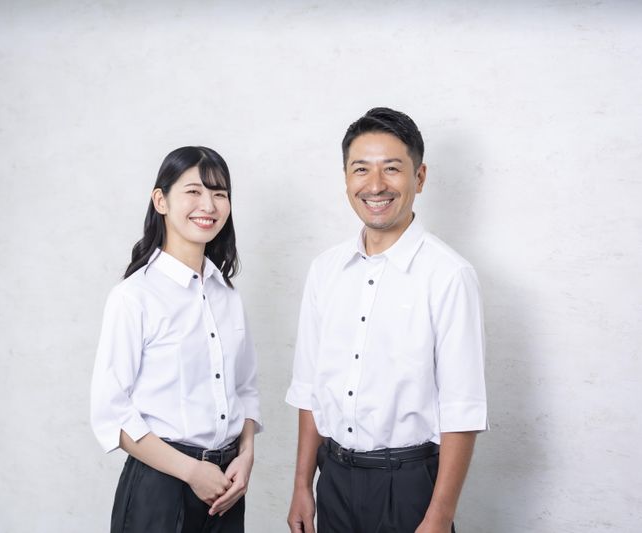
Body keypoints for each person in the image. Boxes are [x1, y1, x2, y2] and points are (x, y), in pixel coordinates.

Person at [286, 108, 488, 533]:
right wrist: (302, 485)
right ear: (346, 178)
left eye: (392, 169)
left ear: (420, 177)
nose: (375, 185)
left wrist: (439, 517)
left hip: (409, 487)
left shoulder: (449, 275)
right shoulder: (324, 270)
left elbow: (462, 410)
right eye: (361, 169)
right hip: (333, 480)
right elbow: (310, 388)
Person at [91, 146, 262, 533]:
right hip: (161, 486)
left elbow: (245, 389)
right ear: (161, 200)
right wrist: (191, 471)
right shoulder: (134, 297)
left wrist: (246, 455)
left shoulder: (227, 296)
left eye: (219, 193)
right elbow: (111, 414)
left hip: (225, 487)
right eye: (194, 191)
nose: (209, 205)